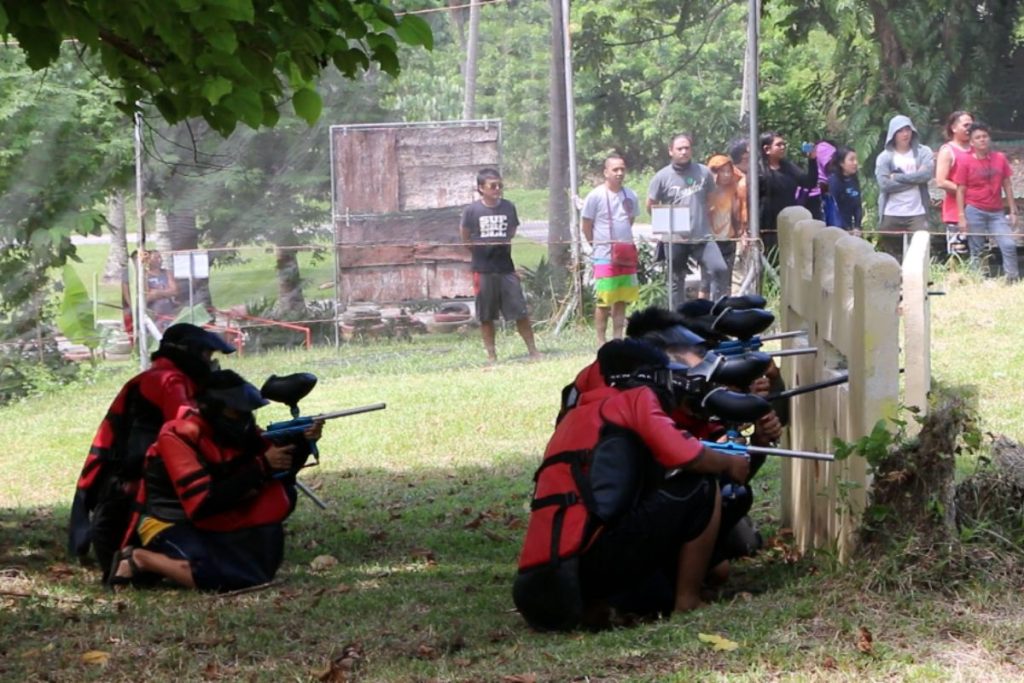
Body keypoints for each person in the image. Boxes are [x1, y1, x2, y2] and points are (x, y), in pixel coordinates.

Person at [513, 339, 749, 630]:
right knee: (700, 484)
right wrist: (730, 463)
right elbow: (689, 455)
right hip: (592, 560)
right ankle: (687, 601)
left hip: (546, 579)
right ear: (647, 378)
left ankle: (600, 606)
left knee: (660, 595)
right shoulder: (630, 400)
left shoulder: (576, 415)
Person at [108, 370, 322, 590]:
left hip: (218, 520)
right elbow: (203, 504)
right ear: (214, 410)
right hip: (172, 521)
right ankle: (139, 559)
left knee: (257, 573)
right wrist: (262, 466)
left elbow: (279, 471)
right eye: (235, 412)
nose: (243, 417)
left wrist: (303, 441)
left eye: (246, 411)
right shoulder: (178, 436)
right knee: (218, 577)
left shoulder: (239, 432)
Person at [68, 323, 236, 580]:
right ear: (189, 353)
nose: (210, 363)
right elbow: (189, 430)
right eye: (206, 356)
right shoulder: (170, 381)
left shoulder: (163, 376)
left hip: (137, 484)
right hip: (135, 489)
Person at [460, 168, 541, 362]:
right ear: (481, 188)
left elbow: (511, 231)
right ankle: (492, 356)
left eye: (500, 185)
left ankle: (533, 351)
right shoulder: (472, 211)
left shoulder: (508, 207)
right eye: (492, 186)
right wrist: (481, 254)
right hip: (483, 270)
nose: (497, 189)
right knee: (486, 315)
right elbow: (465, 237)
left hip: (506, 268)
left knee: (520, 311)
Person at [647, 133, 729, 303]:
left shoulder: (704, 172)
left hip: (702, 236)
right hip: (675, 238)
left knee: (719, 269)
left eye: (687, 148)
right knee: (676, 279)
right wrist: (666, 222)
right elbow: (651, 205)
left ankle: (717, 312)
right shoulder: (662, 177)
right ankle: (678, 319)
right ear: (671, 151)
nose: (683, 152)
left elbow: (711, 200)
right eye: (679, 149)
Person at [580, 153, 640, 344]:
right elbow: (586, 225)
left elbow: (630, 220)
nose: (619, 173)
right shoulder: (595, 195)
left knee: (621, 298)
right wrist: (595, 246)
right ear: (606, 172)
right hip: (604, 256)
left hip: (625, 254)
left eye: (622, 169)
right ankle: (600, 340)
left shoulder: (630, 194)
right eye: (615, 169)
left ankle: (617, 338)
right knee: (604, 300)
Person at [954, 122, 1019, 283]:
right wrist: (961, 216)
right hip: (974, 209)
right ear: (972, 142)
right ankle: (978, 280)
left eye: (985, 136)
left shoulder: (1000, 158)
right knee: (976, 248)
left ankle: (1012, 278)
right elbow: (960, 190)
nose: (982, 140)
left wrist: (1013, 210)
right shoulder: (965, 161)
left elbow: (1007, 185)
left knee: (1008, 244)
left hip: (997, 211)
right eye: (978, 137)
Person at [874, 115, 935, 261]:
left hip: (917, 212)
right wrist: (915, 179)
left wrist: (898, 177)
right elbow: (885, 184)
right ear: (893, 134)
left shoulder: (923, 152)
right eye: (900, 131)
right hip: (891, 212)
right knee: (889, 253)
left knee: (920, 252)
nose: (905, 134)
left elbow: (926, 175)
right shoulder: (885, 157)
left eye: (908, 129)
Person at [757, 131, 817, 256]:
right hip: (767, 226)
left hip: (788, 222)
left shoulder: (788, 167)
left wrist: (812, 160)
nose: (783, 147)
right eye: (779, 145)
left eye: (784, 144)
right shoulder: (759, 171)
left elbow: (809, 182)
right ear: (767, 149)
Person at [702, 155, 746, 298]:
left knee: (726, 280)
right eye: (722, 171)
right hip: (709, 240)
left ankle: (723, 309)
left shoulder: (734, 188)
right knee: (707, 280)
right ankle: (702, 312)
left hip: (728, 238)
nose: (727, 175)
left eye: (729, 171)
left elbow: (742, 176)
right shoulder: (706, 190)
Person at [935, 110, 975, 257]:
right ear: (953, 128)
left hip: (979, 213)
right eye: (965, 125)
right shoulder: (948, 151)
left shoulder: (978, 149)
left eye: (972, 125)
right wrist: (967, 193)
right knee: (958, 257)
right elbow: (941, 181)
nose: (969, 129)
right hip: (956, 214)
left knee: (980, 256)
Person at [827, 146, 863, 234]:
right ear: (841, 163)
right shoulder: (834, 181)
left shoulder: (854, 179)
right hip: (836, 229)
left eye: (856, 159)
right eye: (851, 160)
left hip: (850, 228)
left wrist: (857, 226)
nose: (855, 163)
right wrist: (844, 228)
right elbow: (833, 208)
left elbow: (858, 205)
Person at [144, 251, 179, 327]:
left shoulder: (167, 273)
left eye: (160, 257)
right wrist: (167, 292)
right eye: (156, 258)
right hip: (154, 313)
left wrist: (158, 293)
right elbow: (147, 296)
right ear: (149, 260)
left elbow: (175, 291)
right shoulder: (145, 275)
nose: (160, 260)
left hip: (169, 311)